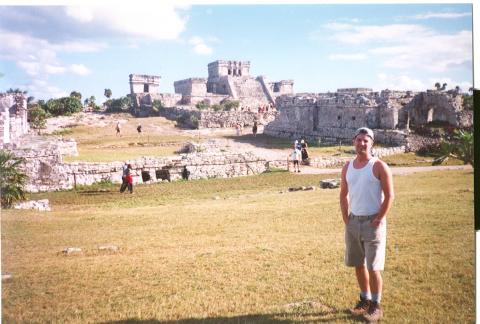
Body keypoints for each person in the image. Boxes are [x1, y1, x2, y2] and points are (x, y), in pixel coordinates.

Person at [339, 127, 394, 322]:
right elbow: (343, 195)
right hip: (354, 221)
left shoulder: (379, 166)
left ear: (372, 144)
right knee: (358, 264)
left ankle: (376, 305)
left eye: (366, 141)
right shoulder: (348, 167)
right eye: (359, 140)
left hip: (373, 222)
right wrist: (347, 218)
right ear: (354, 141)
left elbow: (389, 196)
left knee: (373, 266)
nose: (362, 143)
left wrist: (379, 218)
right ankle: (364, 299)